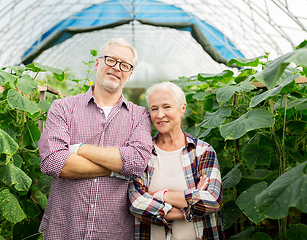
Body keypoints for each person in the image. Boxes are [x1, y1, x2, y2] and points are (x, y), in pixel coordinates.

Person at [38, 38, 153, 239]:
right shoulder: (63, 107)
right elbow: (54, 163)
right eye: (111, 60)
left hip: (113, 230)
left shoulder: (140, 115)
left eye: (125, 65)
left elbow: (137, 163)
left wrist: (79, 149)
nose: (117, 68)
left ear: (130, 74)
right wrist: (118, 170)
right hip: (66, 227)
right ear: (97, 63)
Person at [128, 82, 225, 240]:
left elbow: (212, 200)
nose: (160, 115)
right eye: (154, 108)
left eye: (167, 107)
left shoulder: (202, 151)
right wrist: (192, 201)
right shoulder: (142, 154)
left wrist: (160, 195)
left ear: (182, 108)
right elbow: (137, 205)